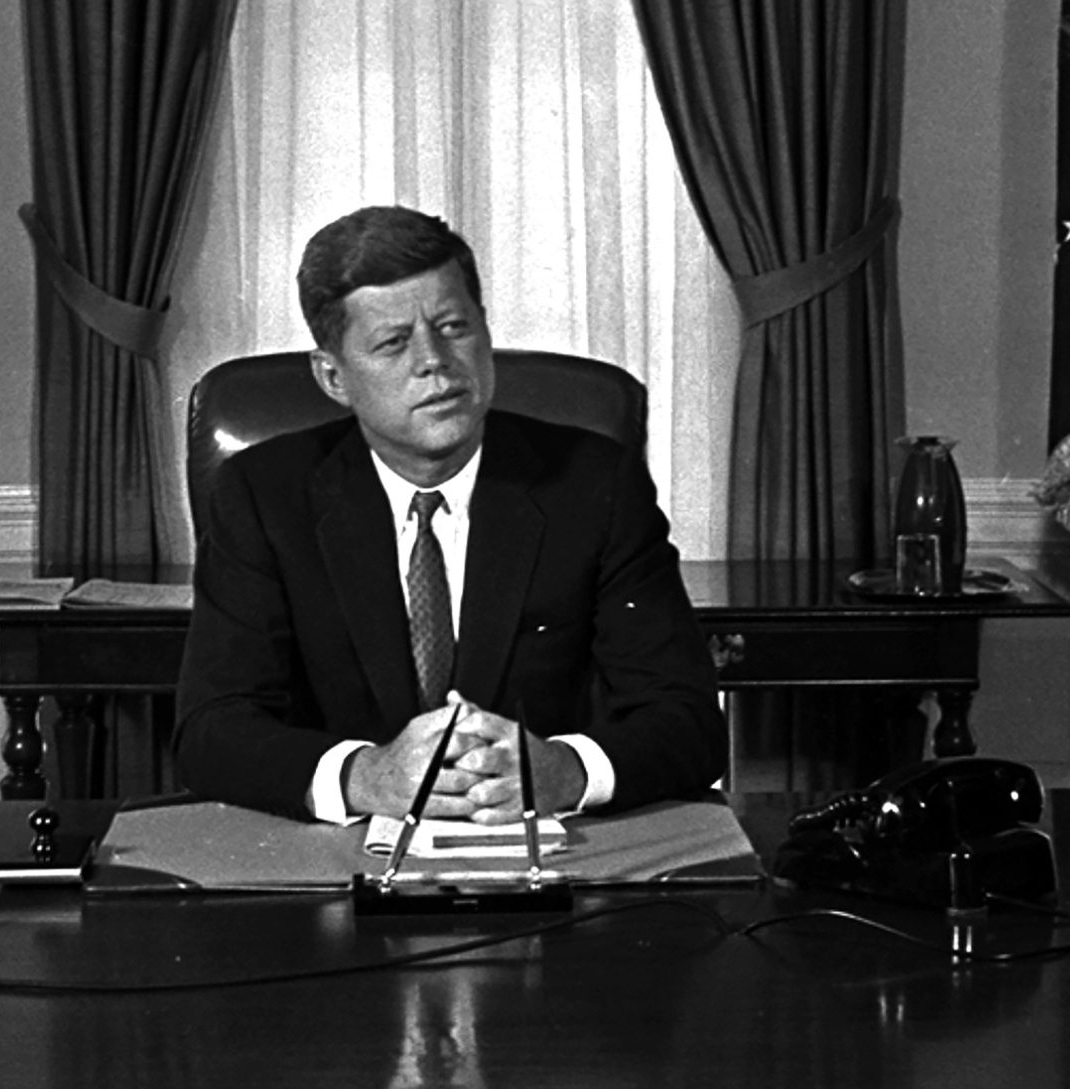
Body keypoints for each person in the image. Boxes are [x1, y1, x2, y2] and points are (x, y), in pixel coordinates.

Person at [173, 205, 726, 824]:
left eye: (454, 326)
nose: (434, 361)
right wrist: (364, 777)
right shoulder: (264, 495)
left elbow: (689, 720)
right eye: (392, 343)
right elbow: (211, 730)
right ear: (333, 376)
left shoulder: (593, 483)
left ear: (486, 332)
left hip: (547, 859)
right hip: (338, 872)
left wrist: (564, 771)